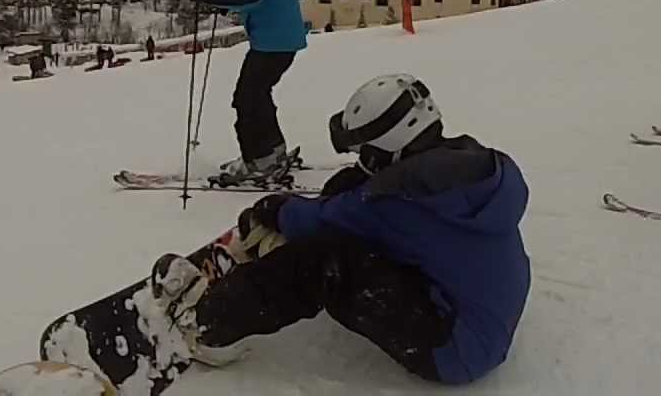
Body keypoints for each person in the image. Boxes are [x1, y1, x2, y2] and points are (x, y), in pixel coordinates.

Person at [155, 74, 530, 384]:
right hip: (477, 311)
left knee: (324, 261)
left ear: (389, 146)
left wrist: (274, 210)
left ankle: (210, 325)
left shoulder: (398, 202)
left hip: (452, 346)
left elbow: (319, 221)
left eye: (365, 152)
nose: (361, 160)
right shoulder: (456, 168)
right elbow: (355, 201)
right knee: (348, 191)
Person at [189, 0, 307, 182]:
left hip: (274, 41)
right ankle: (272, 151)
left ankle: (260, 159)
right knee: (257, 95)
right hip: (278, 39)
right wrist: (222, 1)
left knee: (247, 99)